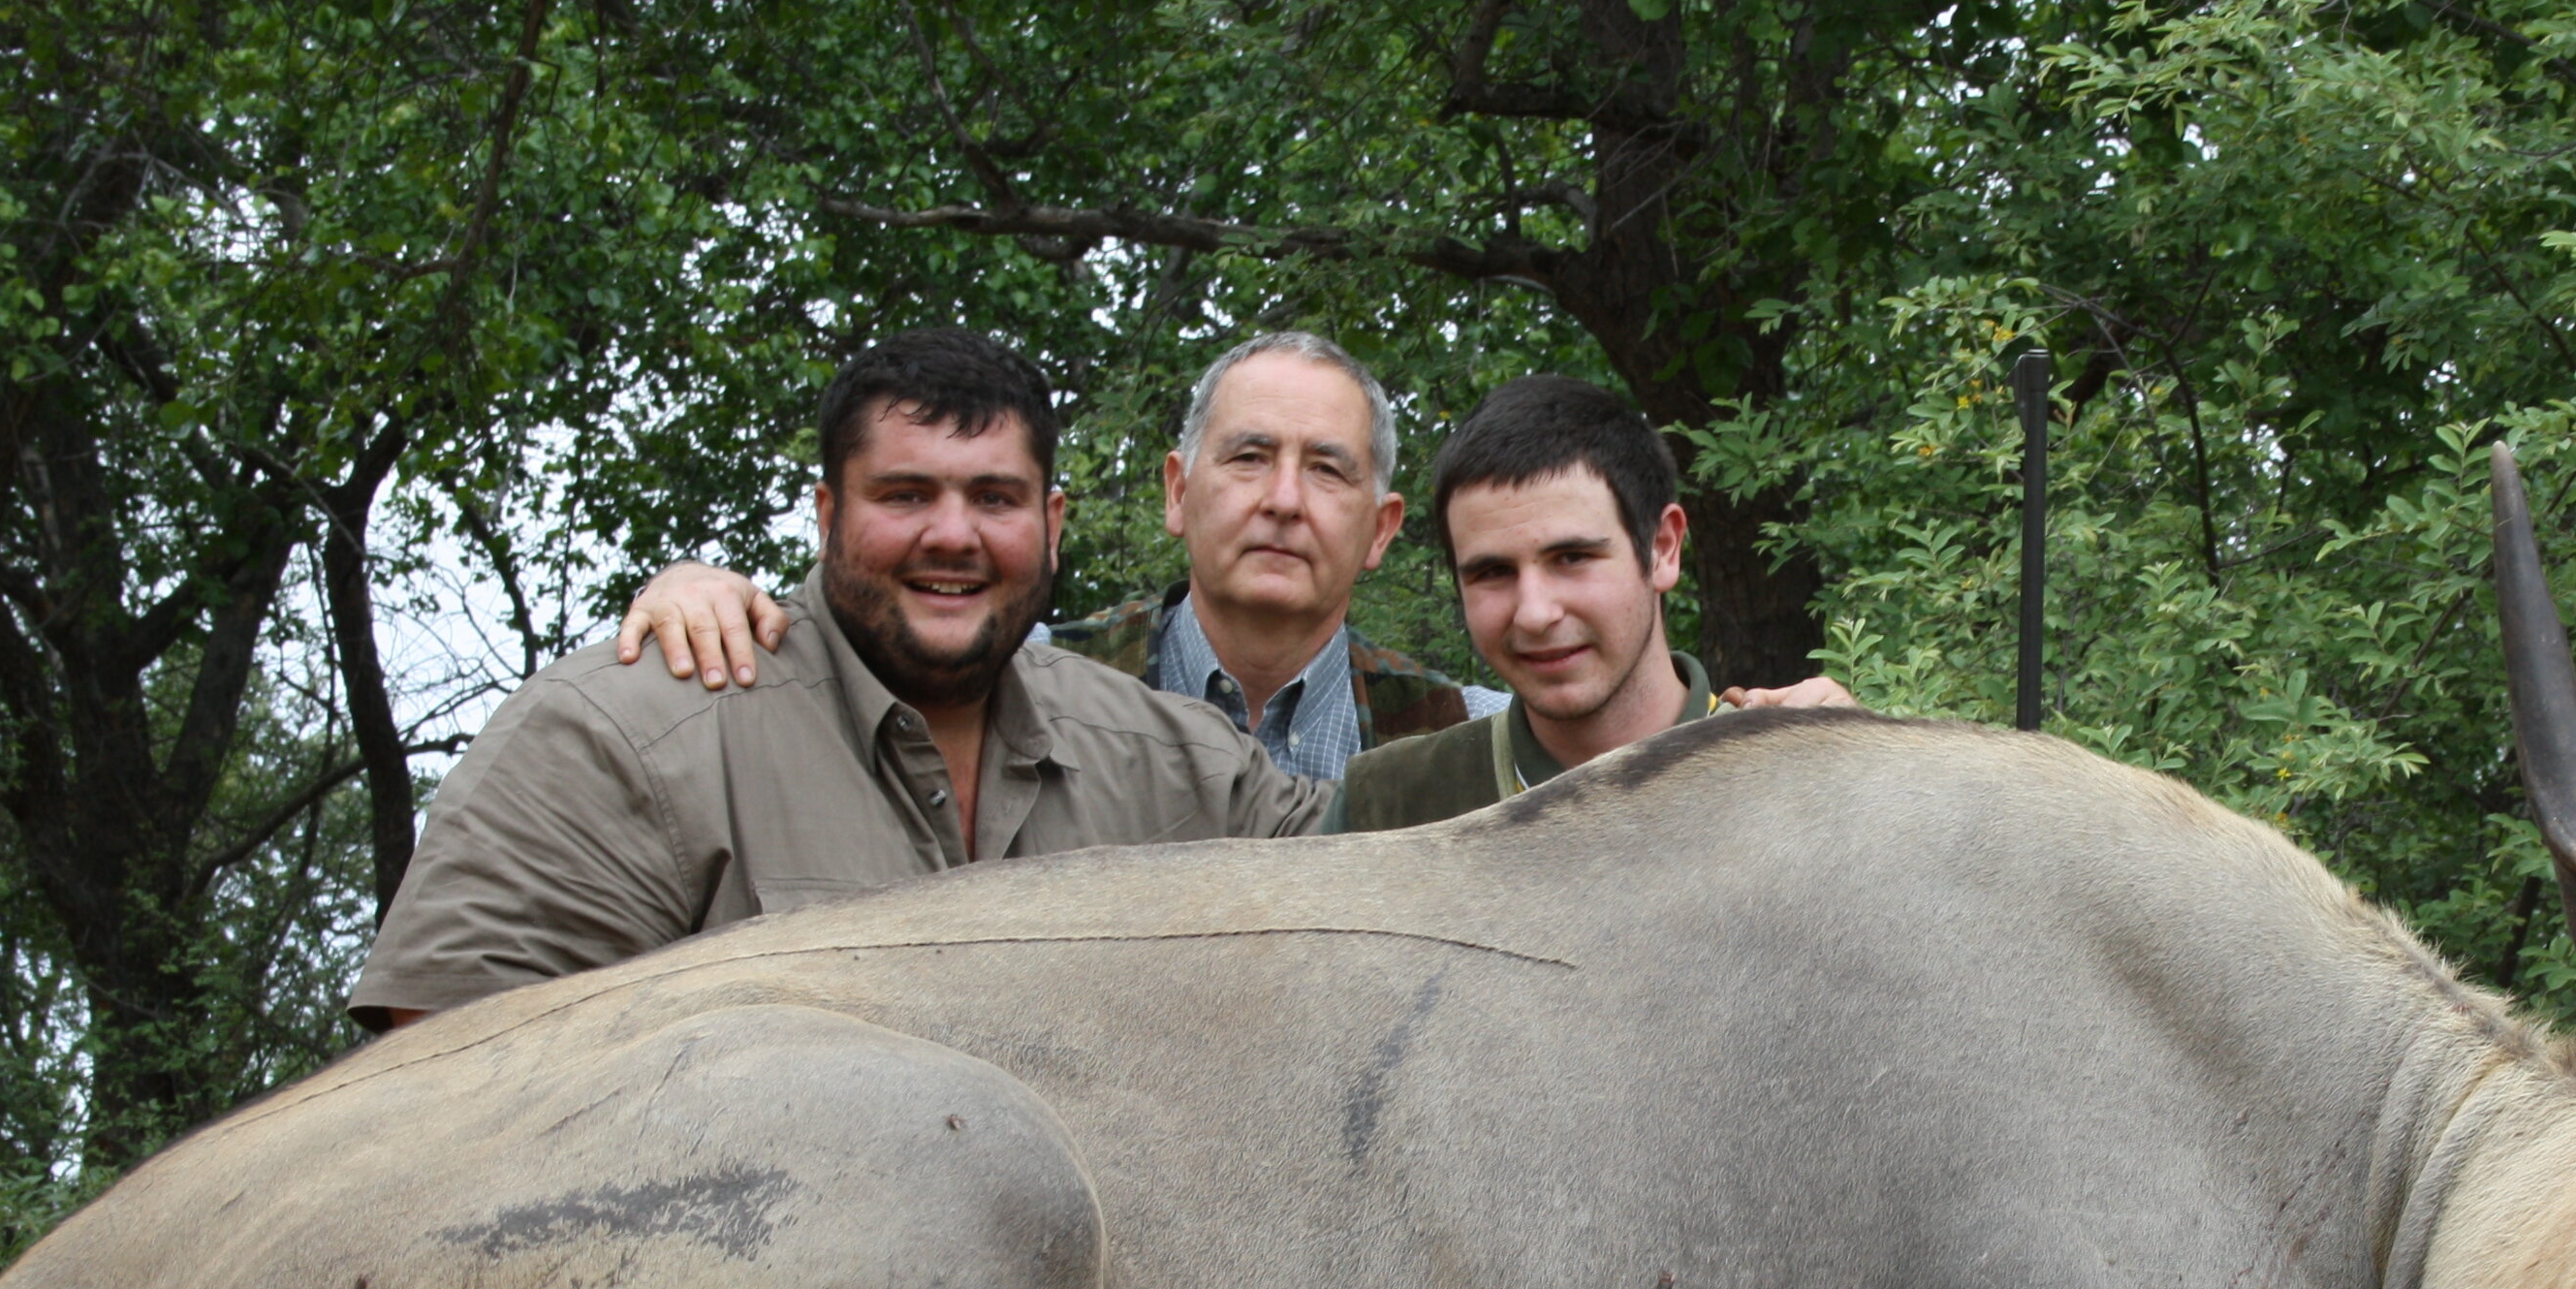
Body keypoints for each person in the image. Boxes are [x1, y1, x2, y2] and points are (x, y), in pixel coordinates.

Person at [350, 329, 1324, 1030]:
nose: (954, 534)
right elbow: (450, 1077)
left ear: (1053, 523)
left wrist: (1487, 595)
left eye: (995, 497)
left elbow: (1417, 836)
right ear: (827, 514)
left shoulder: (1176, 764)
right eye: (905, 495)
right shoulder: (625, 731)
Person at [619, 330, 1494, 775]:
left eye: (1327, 470)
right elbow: (858, 648)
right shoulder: (1009, 679)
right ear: (1176, 493)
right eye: (1249, 457)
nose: (1283, 500)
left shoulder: (1474, 739)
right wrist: (698, 589)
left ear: (1381, 528)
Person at [1332, 374, 1744, 831]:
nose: (1534, 613)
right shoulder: (1391, 804)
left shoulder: (1796, 782)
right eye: (1493, 573)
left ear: (1663, 549)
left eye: (1572, 558)